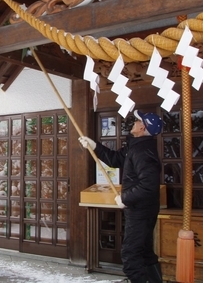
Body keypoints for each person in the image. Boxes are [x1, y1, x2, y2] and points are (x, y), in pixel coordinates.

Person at [79, 110, 163, 283]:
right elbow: (115, 159)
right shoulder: (137, 146)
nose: (133, 123)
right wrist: (94, 146)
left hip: (141, 210)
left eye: (137, 120)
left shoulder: (143, 152)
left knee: (130, 254)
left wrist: (125, 198)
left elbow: (149, 185)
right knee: (144, 251)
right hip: (141, 209)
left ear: (142, 127)